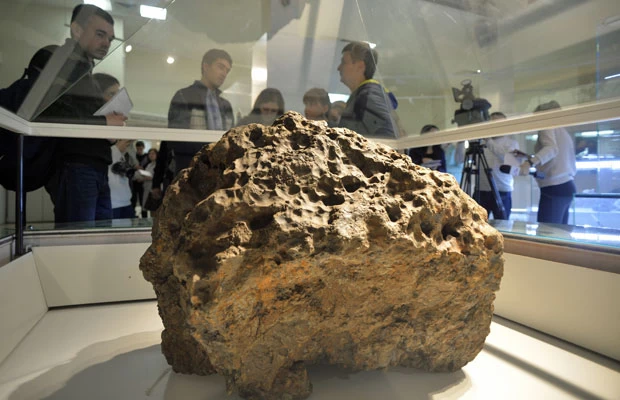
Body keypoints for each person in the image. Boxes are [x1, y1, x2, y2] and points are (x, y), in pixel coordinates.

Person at [34, 5, 126, 224]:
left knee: (95, 237)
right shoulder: (57, 60)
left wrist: (107, 131)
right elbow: (51, 112)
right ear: (76, 30)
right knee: (78, 237)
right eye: (100, 34)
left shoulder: (85, 73)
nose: (106, 43)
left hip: (92, 166)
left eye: (110, 38)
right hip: (76, 165)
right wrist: (104, 122)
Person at [153, 49, 234, 199]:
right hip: (190, 175)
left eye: (227, 70)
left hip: (218, 176)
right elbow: (176, 140)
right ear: (206, 66)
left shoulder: (226, 106)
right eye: (220, 67)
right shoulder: (184, 96)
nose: (224, 73)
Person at [519, 101, 577, 224]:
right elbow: (556, 156)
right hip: (566, 185)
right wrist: (530, 157)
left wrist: (529, 162)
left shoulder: (547, 124)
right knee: (560, 232)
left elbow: (551, 149)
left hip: (554, 187)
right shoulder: (562, 131)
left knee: (547, 231)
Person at [337, 41, 396, 138]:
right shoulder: (365, 94)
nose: (338, 68)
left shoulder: (369, 95)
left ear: (360, 66)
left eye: (344, 62)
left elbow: (387, 136)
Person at [478, 111, 519, 220]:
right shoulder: (481, 142)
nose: (495, 126)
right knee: (477, 223)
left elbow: (506, 158)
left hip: (502, 190)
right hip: (482, 189)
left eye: (498, 123)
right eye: (492, 123)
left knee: (502, 224)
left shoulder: (511, 143)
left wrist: (489, 141)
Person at [108, 139, 135, 218]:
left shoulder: (122, 155)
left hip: (125, 200)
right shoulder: (110, 152)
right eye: (127, 143)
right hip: (115, 202)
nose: (127, 146)